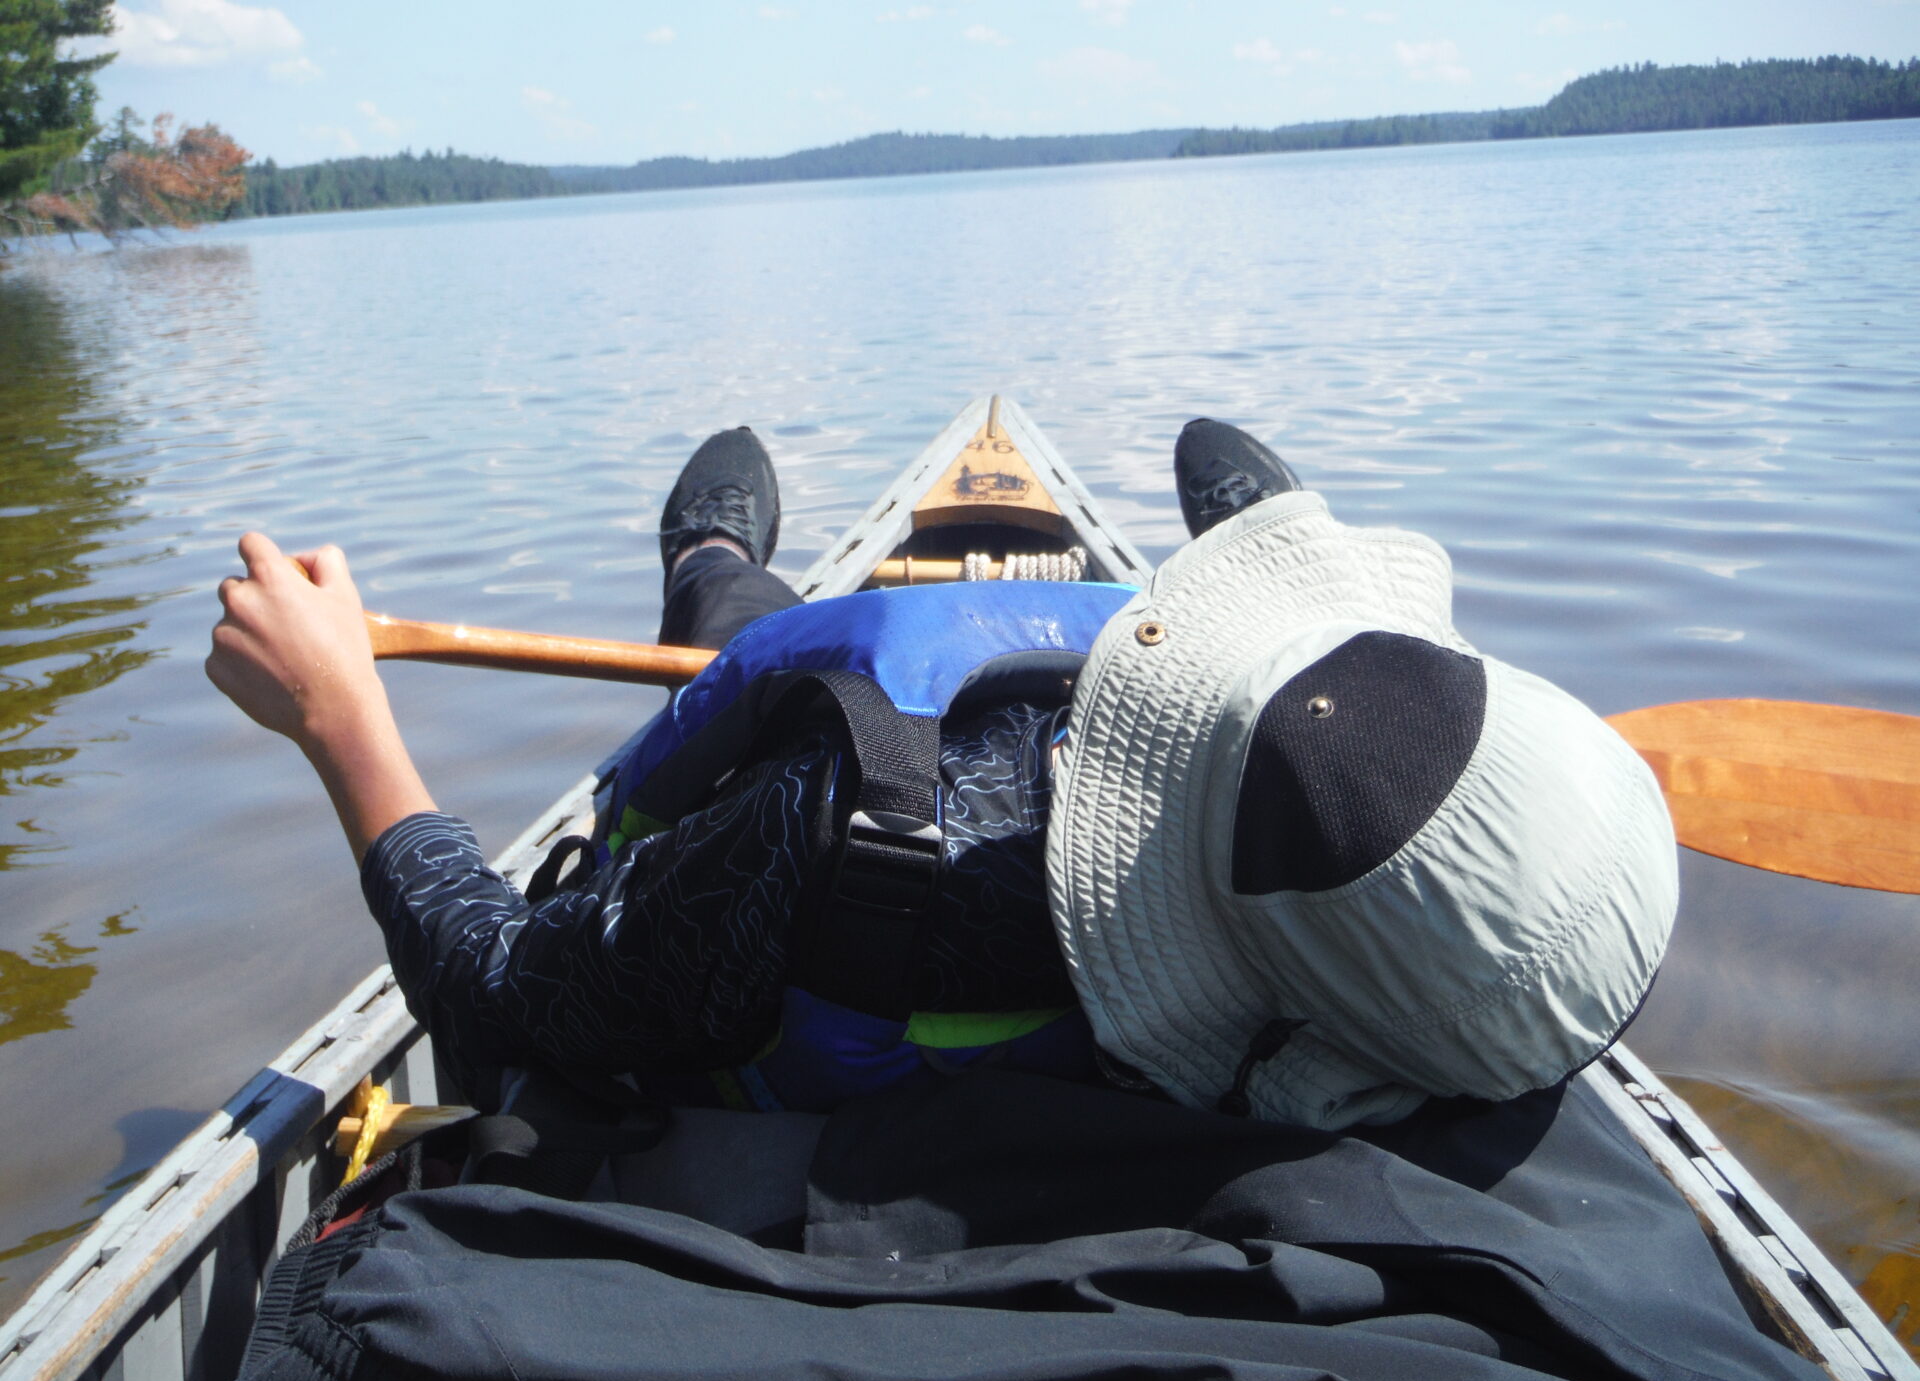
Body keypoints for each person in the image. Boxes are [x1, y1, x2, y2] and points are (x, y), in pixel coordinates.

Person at [206, 419, 1678, 1132]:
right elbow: (1391, 773)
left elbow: (504, 986)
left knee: (763, 655)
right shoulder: (1431, 938)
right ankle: (1269, 522)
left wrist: (344, 718)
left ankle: (711, 569)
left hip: (858, 773)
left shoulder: (829, 819)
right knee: (795, 663)